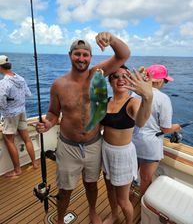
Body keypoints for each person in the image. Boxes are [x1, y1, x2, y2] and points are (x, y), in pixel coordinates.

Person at [36, 32, 131, 224]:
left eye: (85, 55)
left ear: (90, 57)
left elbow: (123, 56)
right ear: (69, 55)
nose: (81, 58)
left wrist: (110, 39)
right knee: (65, 188)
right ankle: (61, 218)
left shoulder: (98, 74)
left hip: (94, 144)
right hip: (68, 146)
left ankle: (93, 211)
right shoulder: (58, 84)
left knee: (92, 184)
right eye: (77, 54)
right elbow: (53, 113)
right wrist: (48, 123)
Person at [100, 65, 153, 224]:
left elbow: (141, 121)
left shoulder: (133, 102)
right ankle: (114, 215)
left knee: (123, 199)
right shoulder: (106, 102)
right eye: (115, 76)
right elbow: (98, 126)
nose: (121, 79)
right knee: (109, 191)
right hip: (105, 151)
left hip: (122, 155)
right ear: (110, 81)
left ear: (130, 79)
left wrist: (147, 97)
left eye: (125, 75)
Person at [132, 64, 181, 195]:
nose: (164, 84)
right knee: (146, 179)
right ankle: (142, 208)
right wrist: (177, 127)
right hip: (150, 146)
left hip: (132, 142)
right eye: (165, 81)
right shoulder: (163, 99)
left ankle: (127, 198)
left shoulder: (134, 93)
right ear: (158, 81)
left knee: (130, 176)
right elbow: (165, 129)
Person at [0, 55, 38, 177]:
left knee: (8, 140)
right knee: (26, 138)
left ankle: (17, 170)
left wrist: (6, 109)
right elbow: (28, 93)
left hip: (11, 114)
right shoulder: (20, 78)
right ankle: (34, 163)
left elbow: (1, 101)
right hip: (22, 111)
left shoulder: (4, 82)